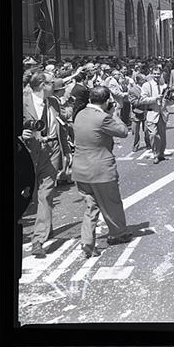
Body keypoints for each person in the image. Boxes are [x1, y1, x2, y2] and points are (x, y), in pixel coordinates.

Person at [71, 85, 132, 258]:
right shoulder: (103, 118)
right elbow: (123, 132)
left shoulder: (80, 114)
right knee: (112, 203)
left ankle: (87, 242)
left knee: (91, 207)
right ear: (106, 102)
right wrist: (115, 114)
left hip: (80, 169)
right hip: (100, 169)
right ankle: (119, 233)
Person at [21, 72, 72, 258]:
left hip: (52, 150)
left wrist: (66, 152)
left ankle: (38, 239)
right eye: (52, 83)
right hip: (29, 152)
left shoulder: (55, 102)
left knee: (46, 193)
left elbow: (62, 127)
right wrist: (20, 134)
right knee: (32, 194)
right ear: (43, 85)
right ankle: (45, 226)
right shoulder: (22, 101)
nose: (55, 86)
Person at [141, 71, 167, 164]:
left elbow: (167, 101)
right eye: (155, 73)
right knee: (153, 135)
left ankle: (161, 154)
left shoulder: (164, 85)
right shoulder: (147, 85)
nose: (157, 75)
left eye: (158, 73)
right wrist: (155, 98)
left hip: (162, 114)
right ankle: (155, 153)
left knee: (162, 135)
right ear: (151, 74)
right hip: (152, 113)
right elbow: (143, 99)